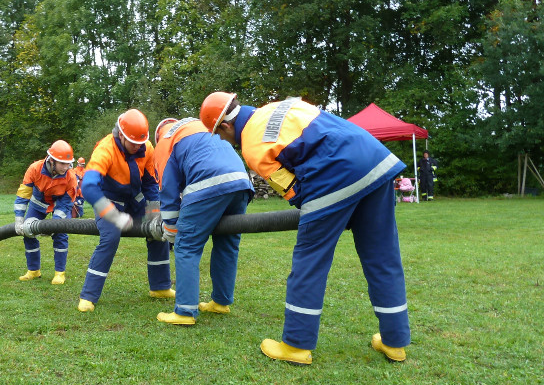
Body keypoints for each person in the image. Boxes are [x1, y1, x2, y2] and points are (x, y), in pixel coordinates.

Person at [200, 92, 411, 364]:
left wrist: (335, 212)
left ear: (226, 126)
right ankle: (395, 342)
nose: (221, 140)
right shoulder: (277, 107)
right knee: (383, 256)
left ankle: (296, 345)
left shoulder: (252, 146)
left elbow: (294, 191)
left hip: (333, 175)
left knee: (309, 261)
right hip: (375, 159)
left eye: (218, 134)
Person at [151, 117, 254, 326]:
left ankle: (185, 311)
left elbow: (168, 190)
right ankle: (220, 302)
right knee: (227, 244)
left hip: (208, 184)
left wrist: (171, 228)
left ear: (158, 135)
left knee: (186, 246)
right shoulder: (198, 126)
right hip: (240, 182)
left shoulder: (165, 142)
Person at [77, 109, 173, 312]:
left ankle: (160, 287)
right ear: (121, 135)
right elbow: (89, 187)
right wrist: (113, 216)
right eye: (133, 143)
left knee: (158, 231)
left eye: (141, 142)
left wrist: (154, 213)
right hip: (109, 203)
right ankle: (88, 296)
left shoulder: (147, 147)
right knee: (110, 238)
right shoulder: (105, 149)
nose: (138, 147)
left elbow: (150, 183)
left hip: (136, 201)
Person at [14, 140, 78, 285]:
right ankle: (33, 270)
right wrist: (19, 218)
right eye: (62, 163)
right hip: (38, 204)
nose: (66, 167)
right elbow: (23, 194)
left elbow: (66, 203)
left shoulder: (70, 177)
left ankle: (59, 273)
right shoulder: (35, 169)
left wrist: (53, 225)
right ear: (51, 160)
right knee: (28, 232)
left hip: (60, 206)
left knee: (60, 234)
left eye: (68, 163)